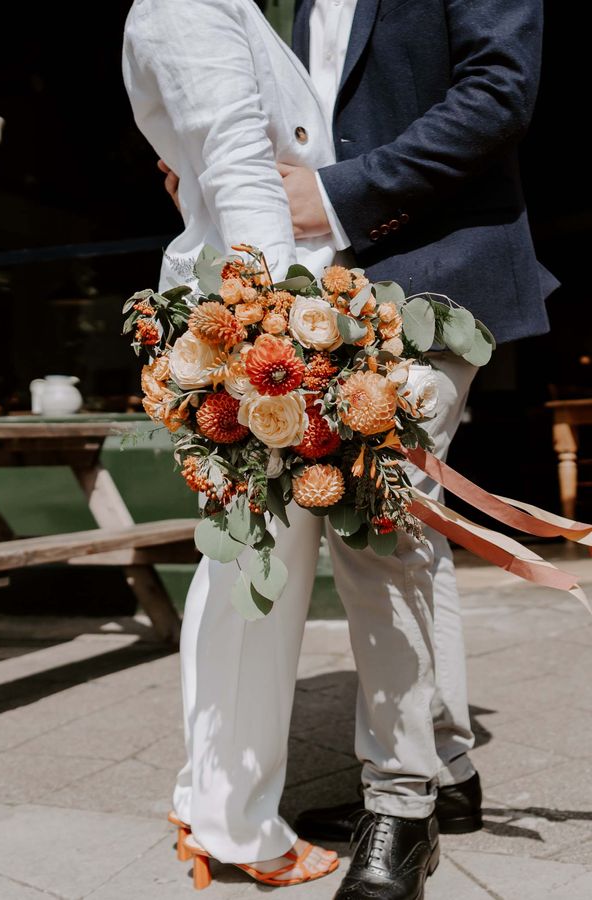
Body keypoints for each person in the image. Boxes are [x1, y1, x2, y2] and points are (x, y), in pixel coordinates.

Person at [276, 1, 558, 897]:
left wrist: (329, 193)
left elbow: (497, 90)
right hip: (322, 284)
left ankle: (400, 807)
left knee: (367, 510)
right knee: (407, 527)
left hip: (443, 270)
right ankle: (447, 772)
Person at [122, 0, 341, 888]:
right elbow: (243, 168)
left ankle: (208, 799)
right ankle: (238, 829)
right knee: (259, 582)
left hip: (246, 321)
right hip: (259, 337)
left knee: (243, 577)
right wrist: (280, 336)